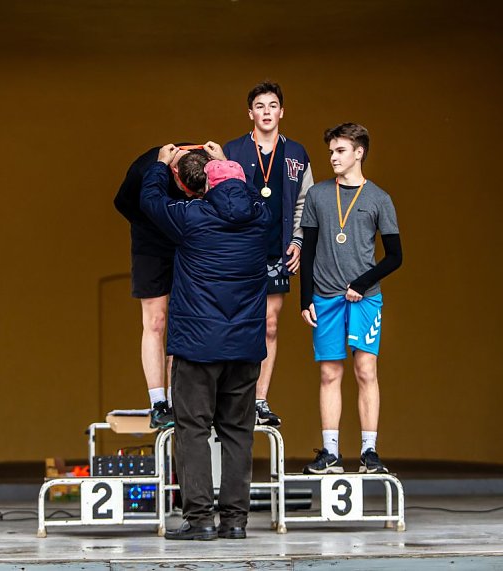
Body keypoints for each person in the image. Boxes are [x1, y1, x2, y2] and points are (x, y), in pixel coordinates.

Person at [140, 146, 269, 540]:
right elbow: (254, 189)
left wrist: (162, 164)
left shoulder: (192, 217)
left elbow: (151, 201)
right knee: (237, 433)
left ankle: (200, 521)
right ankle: (235, 522)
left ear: (206, 187)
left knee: (192, 429)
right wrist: (225, 157)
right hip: (245, 348)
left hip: (198, 347)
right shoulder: (262, 218)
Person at [299, 123, 402, 475]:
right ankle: (330, 454)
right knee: (329, 374)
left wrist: (362, 282)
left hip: (365, 299)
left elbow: (395, 256)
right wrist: (304, 300)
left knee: (365, 371)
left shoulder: (379, 198)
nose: (333, 157)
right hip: (325, 297)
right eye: (331, 151)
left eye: (340, 151)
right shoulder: (317, 196)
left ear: (359, 152)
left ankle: (369, 453)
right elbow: (308, 250)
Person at [224, 81, 314, 427]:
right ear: (250, 113)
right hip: (240, 251)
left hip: (278, 249)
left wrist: (298, 241)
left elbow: (305, 203)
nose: (266, 111)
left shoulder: (296, 154)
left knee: (270, 325)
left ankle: (260, 400)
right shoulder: (232, 151)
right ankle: (233, 397)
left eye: (272, 105)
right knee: (235, 321)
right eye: (259, 106)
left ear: (281, 112)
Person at [114, 143, 207, 429]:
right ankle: (157, 403)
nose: (191, 196)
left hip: (187, 243)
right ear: (175, 171)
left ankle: (177, 399)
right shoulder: (146, 166)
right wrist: (157, 222)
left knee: (182, 322)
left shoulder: (206, 160)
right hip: (151, 244)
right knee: (155, 321)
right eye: (187, 190)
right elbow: (123, 203)